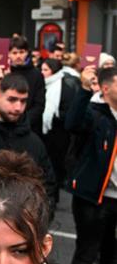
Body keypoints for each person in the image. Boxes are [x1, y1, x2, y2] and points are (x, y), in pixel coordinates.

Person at [65, 66, 117, 264]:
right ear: (105, 88)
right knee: (86, 252)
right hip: (93, 198)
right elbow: (72, 123)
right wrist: (84, 89)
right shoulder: (95, 114)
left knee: (112, 255)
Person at [0, 73, 58, 207]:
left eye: (23, 101)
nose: (18, 107)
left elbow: (48, 184)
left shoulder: (34, 141)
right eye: (12, 99)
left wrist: (40, 217)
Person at [40, 57, 80, 196]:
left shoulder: (65, 87)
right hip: (44, 132)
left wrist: (55, 116)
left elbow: (68, 112)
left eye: (45, 70)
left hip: (58, 133)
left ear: (54, 71)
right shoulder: (41, 85)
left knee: (56, 163)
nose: (42, 72)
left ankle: (54, 192)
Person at [8, 36, 46, 135]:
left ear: (27, 53)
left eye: (22, 52)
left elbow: (39, 104)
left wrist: (23, 121)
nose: (18, 56)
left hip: (29, 126)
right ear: (9, 54)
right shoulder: (5, 72)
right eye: (14, 53)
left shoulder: (36, 74)